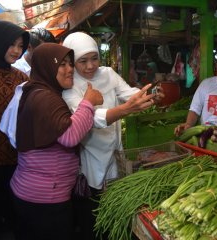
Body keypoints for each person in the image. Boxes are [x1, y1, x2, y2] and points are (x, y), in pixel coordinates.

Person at [61, 31, 162, 240]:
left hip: (115, 150)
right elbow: (90, 117)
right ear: (72, 60)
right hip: (89, 154)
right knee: (93, 212)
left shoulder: (107, 74)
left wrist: (149, 96)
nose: (90, 66)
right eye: (83, 61)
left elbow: (129, 93)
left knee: (114, 206)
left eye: (94, 58)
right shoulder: (70, 85)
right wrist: (125, 109)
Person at [10, 42, 103, 240]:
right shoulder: (45, 98)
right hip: (44, 199)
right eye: (62, 64)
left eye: (70, 63)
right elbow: (69, 136)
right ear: (47, 66)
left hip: (31, 192)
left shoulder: (38, 91)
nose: (70, 69)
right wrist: (88, 102)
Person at [0, 19, 30, 237]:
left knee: (12, 208)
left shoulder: (22, 77)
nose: (17, 51)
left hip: (16, 157)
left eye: (20, 46)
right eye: (12, 44)